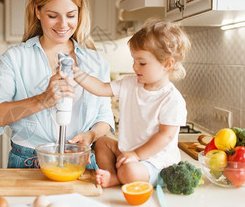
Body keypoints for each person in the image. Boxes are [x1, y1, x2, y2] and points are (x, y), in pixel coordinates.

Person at [0, 0, 115, 169]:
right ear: (38, 11)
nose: (62, 25)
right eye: (53, 16)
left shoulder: (95, 62)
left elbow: (104, 116)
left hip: (80, 161)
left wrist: (91, 135)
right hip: (28, 163)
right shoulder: (16, 59)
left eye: (70, 15)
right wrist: (42, 100)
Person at [73, 19, 191, 187]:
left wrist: (136, 154)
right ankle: (111, 174)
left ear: (167, 64)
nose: (135, 67)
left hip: (156, 162)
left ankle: (116, 179)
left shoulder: (172, 99)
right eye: (134, 60)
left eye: (142, 63)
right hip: (130, 153)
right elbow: (100, 88)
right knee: (102, 142)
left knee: (130, 171)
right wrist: (77, 73)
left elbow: (165, 136)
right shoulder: (130, 84)